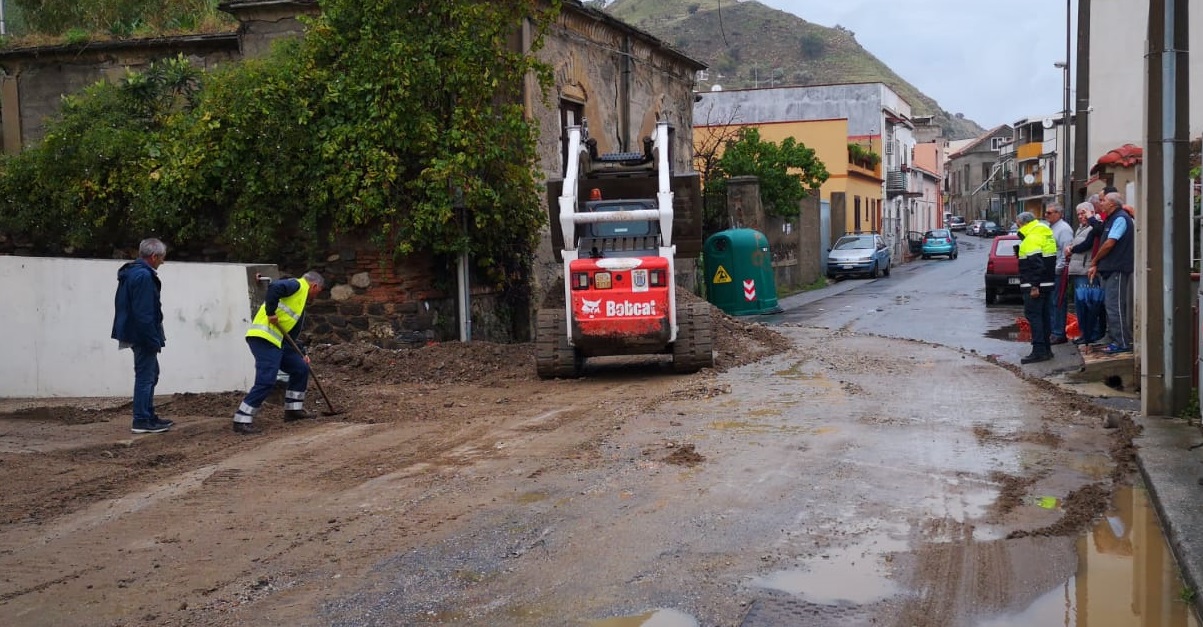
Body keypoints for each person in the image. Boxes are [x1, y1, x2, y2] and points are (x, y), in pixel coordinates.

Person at [232, 271, 326, 435]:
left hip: (279, 342)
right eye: (319, 291)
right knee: (267, 380)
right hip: (264, 338)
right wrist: (270, 313)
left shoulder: (300, 299)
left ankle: (293, 410)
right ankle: (242, 419)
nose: (317, 296)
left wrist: (302, 352)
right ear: (315, 286)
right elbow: (274, 286)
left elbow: (292, 334)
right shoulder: (297, 285)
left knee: (300, 367)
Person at [111, 238, 174, 434]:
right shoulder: (144, 277)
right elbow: (145, 313)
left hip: (135, 332)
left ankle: (147, 415)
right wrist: (152, 339)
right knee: (146, 376)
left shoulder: (132, 273)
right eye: (161, 258)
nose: (162, 262)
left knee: (150, 374)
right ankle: (141, 419)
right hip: (142, 334)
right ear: (154, 256)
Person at [1088, 192, 1135, 354]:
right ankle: (1115, 338)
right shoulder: (1111, 218)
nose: (1101, 203)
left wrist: (1094, 261)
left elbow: (1110, 243)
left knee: (1115, 306)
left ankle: (1122, 342)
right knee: (1110, 305)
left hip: (1118, 268)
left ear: (1113, 204)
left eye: (1104, 201)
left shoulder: (1120, 218)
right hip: (1109, 268)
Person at [1015, 212, 1058, 364]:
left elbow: (1036, 265)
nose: (1017, 226)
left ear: (1023, 223)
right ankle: (1046, 349)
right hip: (1047, 284)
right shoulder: (1044, 233)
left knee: (1034, 317)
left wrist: (1034, 286)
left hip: (1035, 286)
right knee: (1044, 317)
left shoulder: (1032, 238)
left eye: (1018, 223)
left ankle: (1039, 351)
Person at [1065, 201, 1106, 345]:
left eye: (1083, 213)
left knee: (1088, 304)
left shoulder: (1094, 226)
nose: (1081, 217)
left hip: (1086, 271)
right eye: (1079, 214)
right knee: (1081, 305)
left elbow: (1086, 245)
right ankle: (1085, 333)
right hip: (1078, 270)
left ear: (1091, 212)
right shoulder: (1081, 228)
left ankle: (1091, 334)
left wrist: (1072, 249)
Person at [1044, 202, 1074, 344]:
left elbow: (1065, 251)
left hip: (1058, 271)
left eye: (1049, 213)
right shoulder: (1052, 228)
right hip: (1051, 271)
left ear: (1058, 214)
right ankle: (1053, 331)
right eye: (1046, 212)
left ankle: (1058, 333)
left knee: (1058, 302)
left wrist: (1058, 269)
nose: (1046, 215)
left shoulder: (1063, 229)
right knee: (1052, 302)